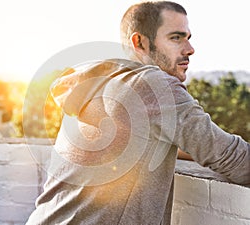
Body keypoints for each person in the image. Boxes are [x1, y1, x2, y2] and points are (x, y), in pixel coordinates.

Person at [26, 1, 250, 224]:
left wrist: (199, 149)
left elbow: (141, 139)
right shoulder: (153, 86)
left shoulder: (99, 84)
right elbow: (236, 160)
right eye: (176, 38)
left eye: (188, 38)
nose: (189, 49)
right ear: (140, 42)